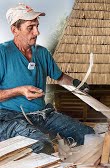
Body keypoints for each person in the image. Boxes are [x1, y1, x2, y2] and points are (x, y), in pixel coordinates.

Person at [0, 3, 95, 154]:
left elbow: (61, 77)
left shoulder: (42, 53)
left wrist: (76, 83)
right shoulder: (2, 53)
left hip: (42, 114)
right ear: (14, 30)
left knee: (90, 136)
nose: (37, 32)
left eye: (37, 26)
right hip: (9, 118)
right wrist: (18, 91)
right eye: (30, 27)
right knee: (42, 146)